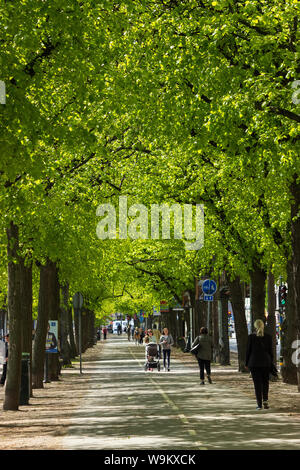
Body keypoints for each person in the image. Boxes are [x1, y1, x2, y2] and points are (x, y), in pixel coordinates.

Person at [246, 319, 273, 410]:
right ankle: (265, 400)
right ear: (263, 326)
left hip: (254, 363)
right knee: (265, 382)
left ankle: (259, 404)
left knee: (257, 384)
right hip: (266, 363)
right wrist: (271, 362)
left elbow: (248, 351)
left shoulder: (251, 337)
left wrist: (246, 363)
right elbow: (270, 352)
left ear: (254, 326)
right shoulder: (268, 337)